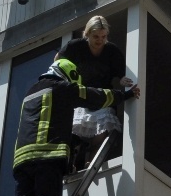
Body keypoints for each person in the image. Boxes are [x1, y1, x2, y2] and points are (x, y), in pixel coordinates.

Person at [0, 58, 140, 196]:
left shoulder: (31, 92)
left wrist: (72, 144)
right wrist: (122, 95)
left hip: (22, 159)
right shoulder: (62, 88)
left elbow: (50, 122)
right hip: (46, 156)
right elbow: (94, 96)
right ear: (67, 74)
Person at [56, 16, 135, 165]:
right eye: (96, 36)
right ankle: (73, 162)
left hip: (102, 98)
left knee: (101, 132)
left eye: (103, 36)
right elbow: (58, 60)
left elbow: (120, 72)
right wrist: (62, 80)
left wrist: (123, 79)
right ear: (87, 34)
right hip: (81, 95)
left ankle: (91, 163)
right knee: (73, 131)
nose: (100, 40)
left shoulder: (112, 51)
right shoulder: (75, 46)